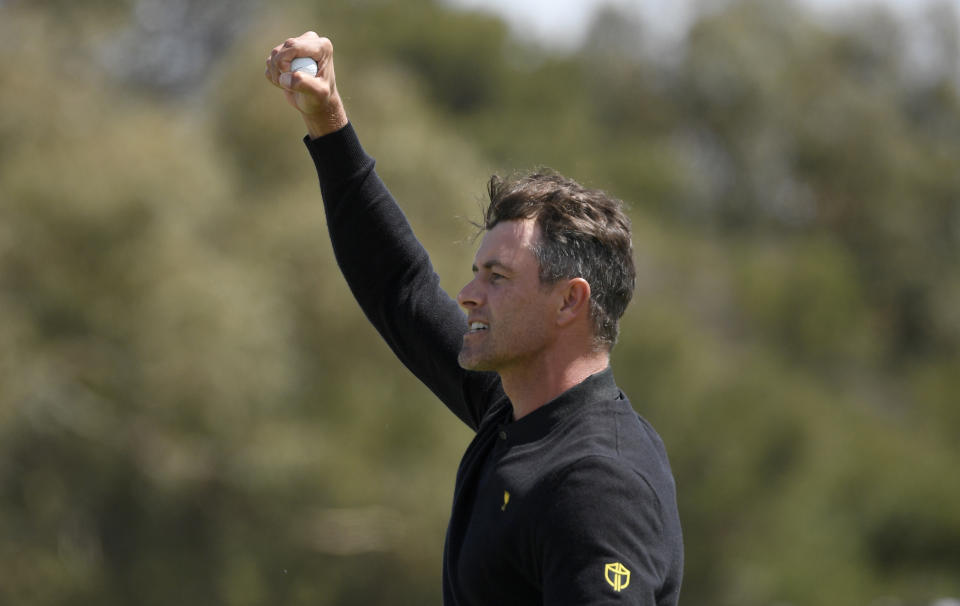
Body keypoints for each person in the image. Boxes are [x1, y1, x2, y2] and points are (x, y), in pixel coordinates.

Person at [265, 31, 683, 606]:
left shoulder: (596, 482)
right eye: (476, 272)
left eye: (498, 277)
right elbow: (400, 287)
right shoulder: (510, 408)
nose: (467, 294)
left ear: (569, 301)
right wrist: (328, 121)